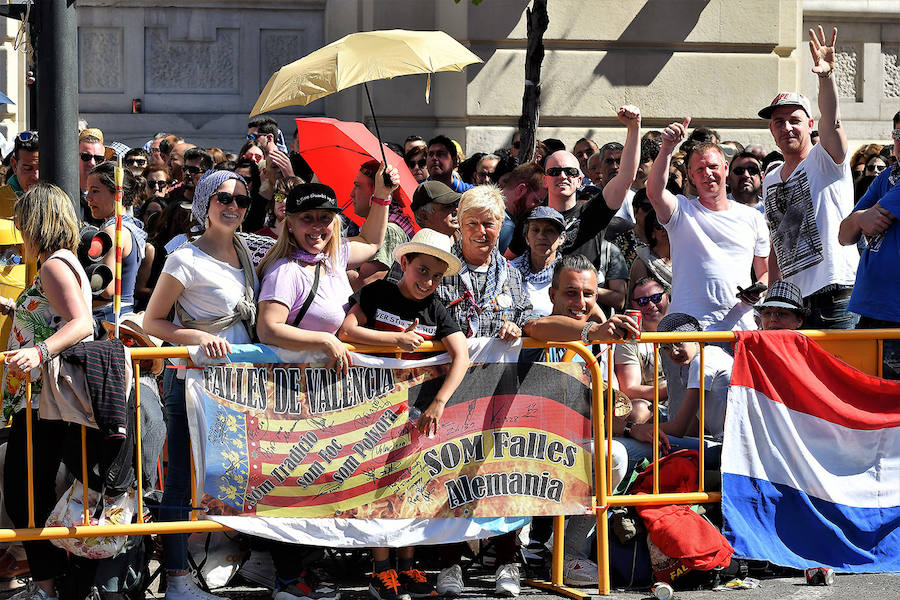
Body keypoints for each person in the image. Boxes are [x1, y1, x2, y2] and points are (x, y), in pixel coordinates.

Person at [256, 169, 397, 600]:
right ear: (290, 224)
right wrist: (324, 339)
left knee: (320, 483)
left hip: (326, 394)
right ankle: (286, 577)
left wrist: (382, 196)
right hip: (289, 392)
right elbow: (268, 329)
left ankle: (305, 571)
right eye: (307, 219)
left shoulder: (333, 260)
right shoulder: (285, 271)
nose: (317, 227)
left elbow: (373, 243)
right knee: (292, 483)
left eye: (325, 218)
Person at [144, 170, 258, 600]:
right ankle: (176, 578)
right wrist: (195, 337)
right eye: (224, 198)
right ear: (206, 203)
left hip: (241, 384)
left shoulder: (251, 252)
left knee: (236, 475)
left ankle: (232, 560)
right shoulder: (184, 258)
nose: (232, 207)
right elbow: (155, 321)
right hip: (191, 382)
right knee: (181, 481)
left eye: (242, 202)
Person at [338, 228, 467, 600]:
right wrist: (395, 339)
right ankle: (381, 570)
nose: (428, 281)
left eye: (437, 276)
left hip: (414, 412)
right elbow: (347, 332)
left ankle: (408, 564)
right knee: (378, 486)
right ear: (404, 262)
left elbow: (462, 355)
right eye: (422, 270)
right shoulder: (378, 292)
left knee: (411, 484)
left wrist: (439, 401)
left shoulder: (438, 307)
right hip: (369, 407)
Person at [1, 183, 94, 600]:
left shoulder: (55, 265)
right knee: (33, 493)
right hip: (43, 400)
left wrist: (38, 352)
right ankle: (51, 584)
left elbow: (81, 324)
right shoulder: (63, 263)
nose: (20, 231)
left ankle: (46, 588)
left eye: (23, 222)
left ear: (39, 221)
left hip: (43, 401)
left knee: (25, 496)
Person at [760, 26, 859, 329]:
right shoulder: (770, 179)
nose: (786, 127)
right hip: (793, 302)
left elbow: (832, 119)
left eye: (794, 120)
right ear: (771, 130)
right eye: (779, 122)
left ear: (809, 124)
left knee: (841, 375)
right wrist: (774, 294)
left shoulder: (825, 158)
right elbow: (778, 241)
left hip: (837, 290)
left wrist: (826, 77)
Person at [647, 120, 770, 331]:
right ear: (691, 176)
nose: (708, 173)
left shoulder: (753, 217)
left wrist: (759, 291)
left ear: (725, 169)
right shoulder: (681, 211)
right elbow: (654, 192)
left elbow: (765, 273)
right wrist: (667, 148)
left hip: (740, 329)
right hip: (688, 332)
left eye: (713, 167)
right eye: (700, 169)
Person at [839, 111, 900, 378]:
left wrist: (862, 218)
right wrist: (861, 217)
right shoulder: (886, 177)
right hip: (870, 309)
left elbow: (876, 219)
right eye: (898, 135)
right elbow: (844, 234)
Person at [655, 313, 732, 452]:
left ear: (697, 338)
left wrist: (631, 428)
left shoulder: (702, 359)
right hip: (728, 446)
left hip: (730, 449)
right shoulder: (711, 354)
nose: (674, 352)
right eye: (666, 348)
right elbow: (692, 428)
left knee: (651, 443)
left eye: (678, 343)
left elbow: (679, 428)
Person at [347, 160, 411, 290]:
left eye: (358, 186)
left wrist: (338, 270)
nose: (351, 194)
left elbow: (367, 284)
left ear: (375, 191)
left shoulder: (388, 230)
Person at [615, 277, 671, 416]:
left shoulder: (686, 328)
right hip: (655, 410)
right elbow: (629, 389)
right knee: (638, 410)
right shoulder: (629, 338)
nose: (650, 305)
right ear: (634, 306)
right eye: (642, 301)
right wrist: (672, 389)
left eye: (656, 298)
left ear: (667, 297)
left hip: (691, 404)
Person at [510, 206, 566, 317]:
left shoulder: (567, 274)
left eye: (549, 230)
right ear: (526, 238)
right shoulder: (510, 271)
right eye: (535, 230)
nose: (541, 236)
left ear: (562, 238)